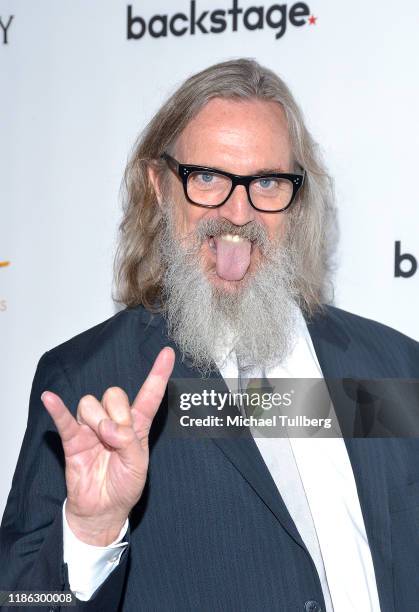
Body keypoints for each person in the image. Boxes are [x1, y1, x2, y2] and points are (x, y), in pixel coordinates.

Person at [1, 58, 418, 612]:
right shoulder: (91, 381)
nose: (237, 211)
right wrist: (89, 532)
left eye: (268, 182)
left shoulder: (392, 366)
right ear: (159, 186)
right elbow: (21, 600)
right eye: (207, 179)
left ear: (298, 198)